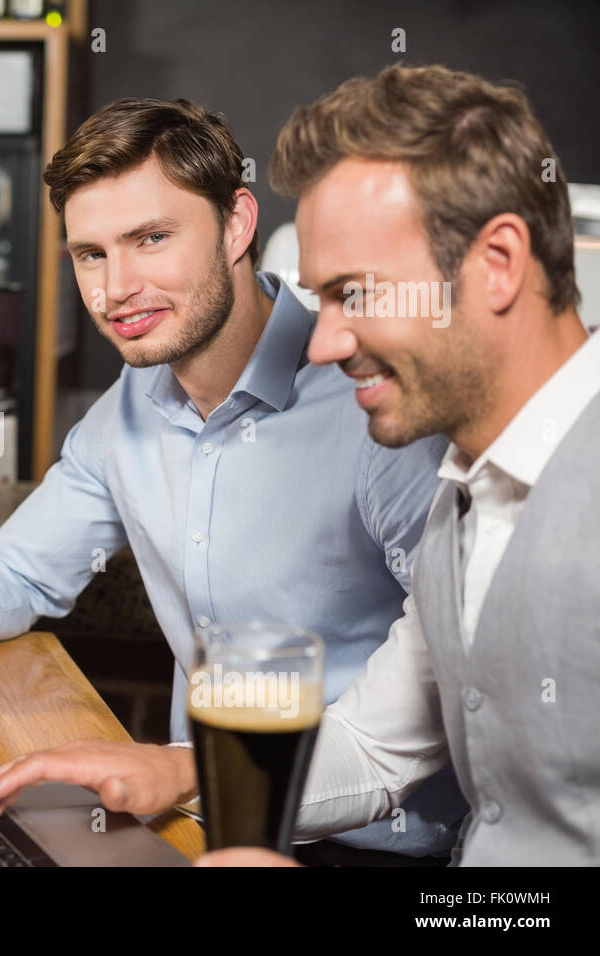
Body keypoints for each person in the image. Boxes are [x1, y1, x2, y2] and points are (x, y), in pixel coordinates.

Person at [0, 98, 468, 863]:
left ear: (236, 224)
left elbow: (442, 683)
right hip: (197, 817)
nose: (114, 288)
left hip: (368, 846)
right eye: (90, 254)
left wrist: (177, 770)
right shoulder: (130, 408)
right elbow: (20, 572)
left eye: (151, 238)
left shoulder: (376, 408)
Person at [207, 62, 597, 866]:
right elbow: (376, 748)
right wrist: (171, 775)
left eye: (357, 293)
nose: (321, 344)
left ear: (496, 263)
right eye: (321, 299)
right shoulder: (462, 490)